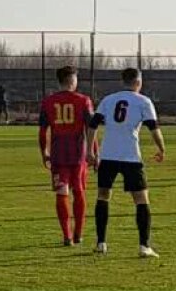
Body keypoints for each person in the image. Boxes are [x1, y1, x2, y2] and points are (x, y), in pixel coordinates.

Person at [85, 67, 164, 258]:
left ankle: (101, 243)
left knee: (103, 196)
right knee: (141, 199)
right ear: (139, 82)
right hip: (131, 157)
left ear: (123, 81)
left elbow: (92, 125)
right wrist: (161, 148)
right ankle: (144, 246)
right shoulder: (143, 101)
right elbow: (154, 128)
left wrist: (90, 151)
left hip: (108, 155)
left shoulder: (108, 99)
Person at [38, 66, 95, 246]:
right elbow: (91, 129)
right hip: (78, 153)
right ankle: (78, 234)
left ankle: (67, 236)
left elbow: (42, 131)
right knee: (79, 191)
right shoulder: (84, 100)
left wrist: (44, 152)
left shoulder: (48, 102)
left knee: (61, 191)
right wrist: (94, 152)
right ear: (73, 80)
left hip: (58, 153)